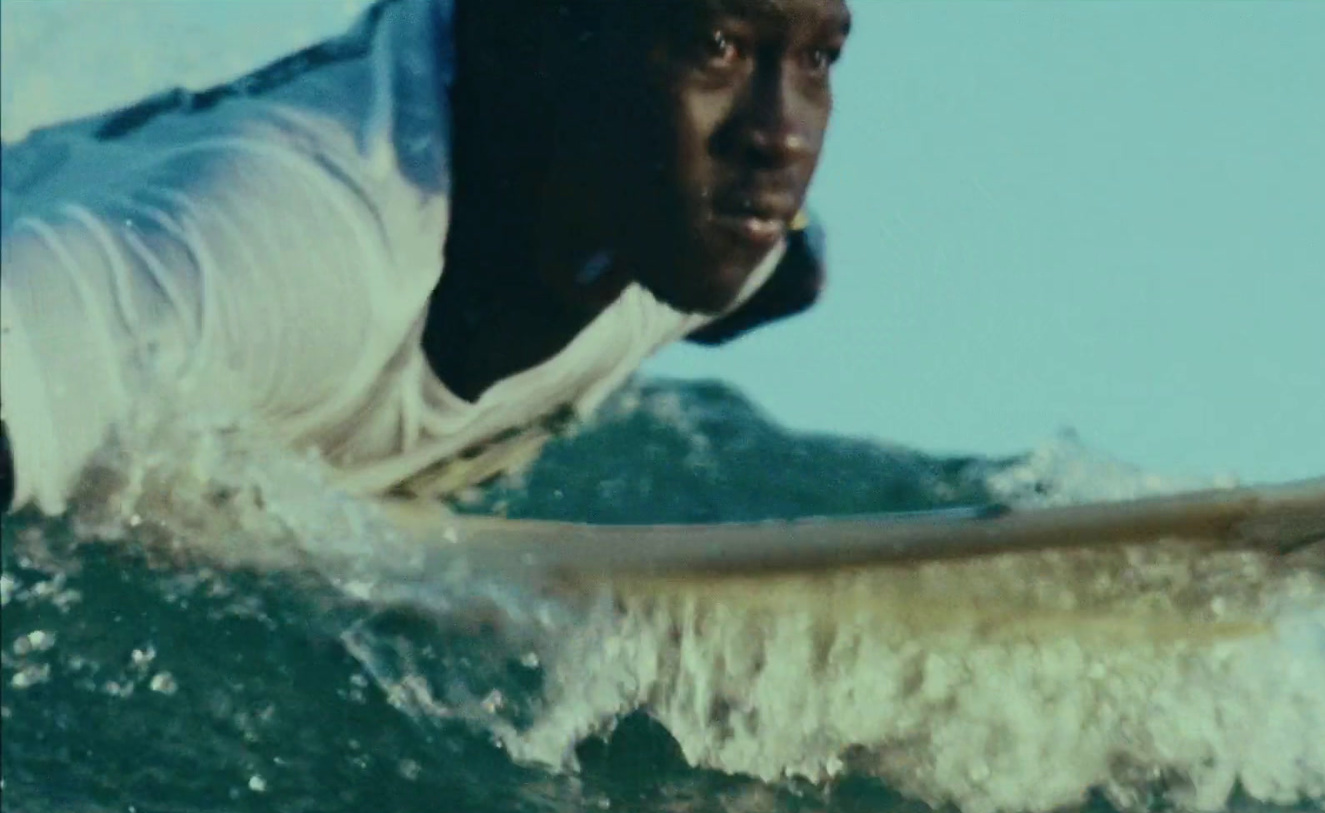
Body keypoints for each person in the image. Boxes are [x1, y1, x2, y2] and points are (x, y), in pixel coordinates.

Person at [0, 0, 848, 514]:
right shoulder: (301, 248)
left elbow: (791, 271)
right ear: (543, 36)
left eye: (816, 57)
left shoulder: (726, 237)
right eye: (716, 45)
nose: (781, 135)